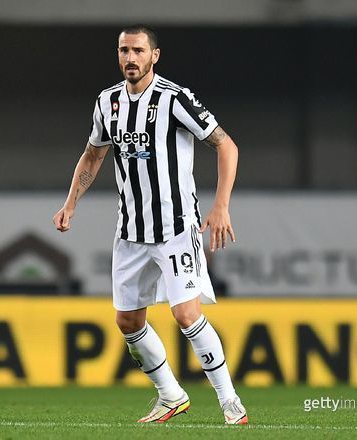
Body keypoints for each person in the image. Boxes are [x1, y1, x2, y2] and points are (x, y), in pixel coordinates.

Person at [53, 25, 247, 425]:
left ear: (154, 56)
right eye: (124, 50)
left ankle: (230, 402)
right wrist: (70, 203)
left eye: (138, 50)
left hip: (175, 228)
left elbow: (226, 145)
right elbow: (93, 155)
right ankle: (171, 395)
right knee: (127, 321)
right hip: (130, 232)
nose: (130, 58)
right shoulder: (107, 103)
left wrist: (221, 205)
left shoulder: (175, 98)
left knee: (186, 314)